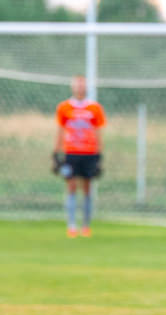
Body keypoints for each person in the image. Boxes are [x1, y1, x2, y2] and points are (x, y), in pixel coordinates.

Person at [54, 75, 105, 238]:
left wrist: (99, 155)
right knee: (71, 186)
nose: (80, 87)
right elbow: (60, 130)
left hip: (89, 152)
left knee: (87, 188)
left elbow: (98, 132)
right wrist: (56, 153)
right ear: (72, 87)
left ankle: (86, 225)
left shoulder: (94, 108)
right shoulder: (64, 107)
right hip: (71, 152)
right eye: (77, 85)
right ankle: (71, 225)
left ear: (86, 88)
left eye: (82, 85)